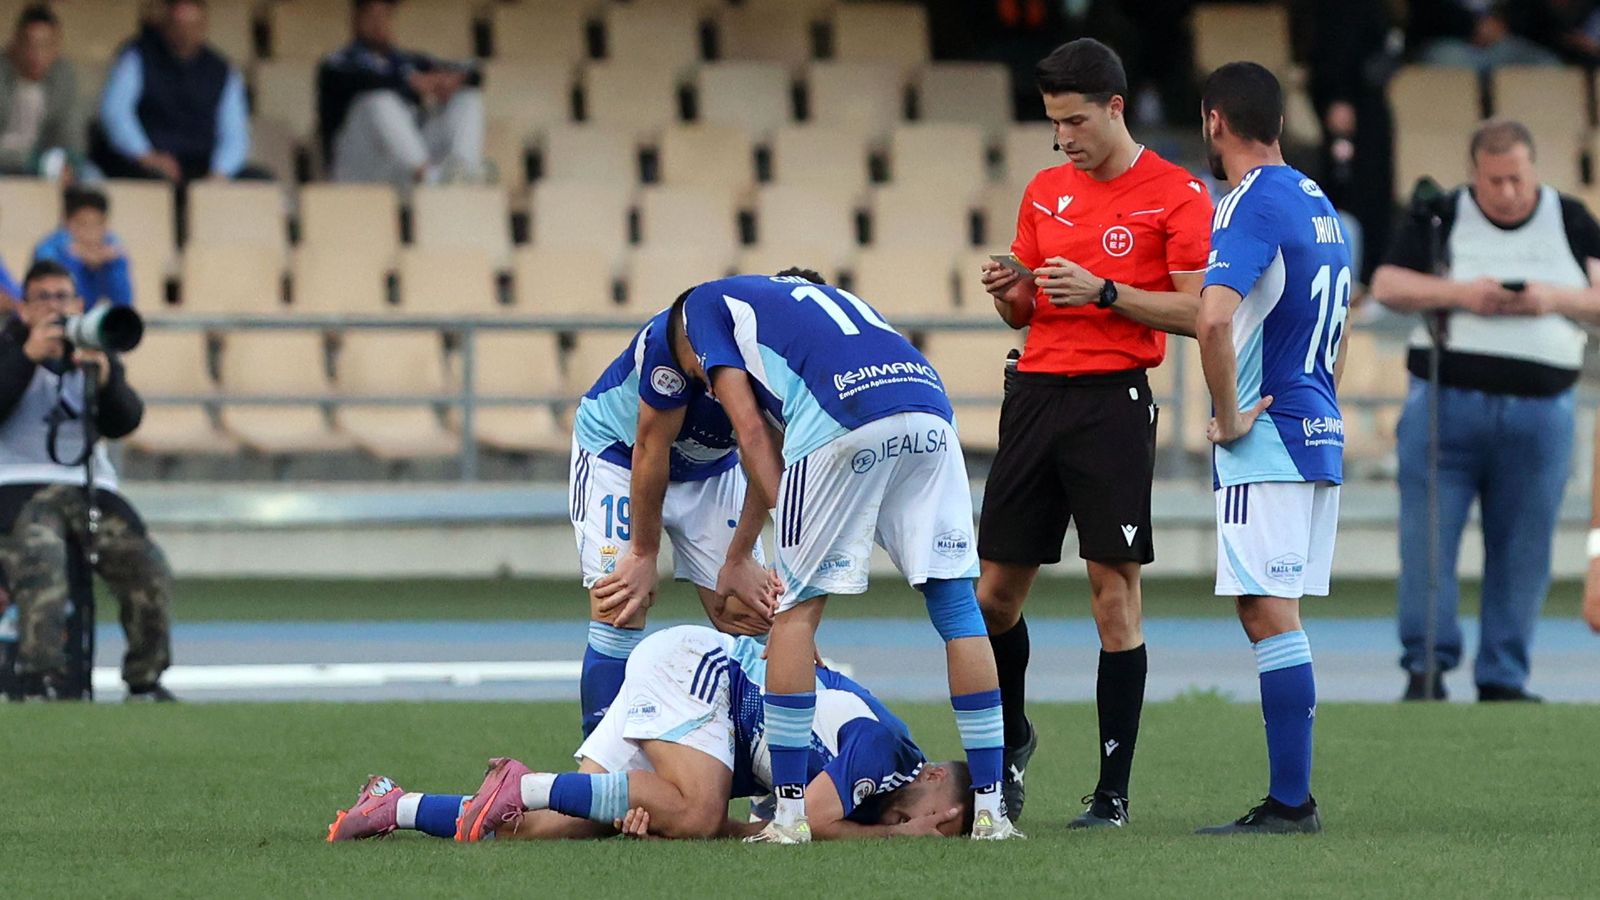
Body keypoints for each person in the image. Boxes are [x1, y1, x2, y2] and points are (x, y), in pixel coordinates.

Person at [652, 272, 1017, 842]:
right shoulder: (818, 304)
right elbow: (774, 440)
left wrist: (795, 540)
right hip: (929, 408)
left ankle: (789, 817)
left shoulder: (700, 307)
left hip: (844, 413)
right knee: (957, 608)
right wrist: (743, 550)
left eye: (697, 375)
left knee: (796, 613)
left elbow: (752, 434)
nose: (702, 386)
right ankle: (992, 811)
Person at [974, 37, 1212, 827]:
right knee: (993, 597)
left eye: (1075, 121)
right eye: (1053, 122)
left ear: (1116, 107)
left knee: (1113, 592)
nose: (1063, 138)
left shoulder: (1176, 193)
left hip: (1112, 402)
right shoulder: (1045, 190)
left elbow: (1199, 311)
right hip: (1035, 394)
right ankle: (1013, 740)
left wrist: (1107, 291)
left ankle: (1111, 795)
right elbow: (1027, 308)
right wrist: (1009, 289)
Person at [328, 624, 975, 842]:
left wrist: (661, 813)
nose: (911, 827)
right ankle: (522, 783)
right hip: (701, 673)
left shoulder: (866, 788)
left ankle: (392, 805)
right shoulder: (884, 751)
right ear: (933, 775)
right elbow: (806, 827)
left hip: (698, 710)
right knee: (695, 812)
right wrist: (900, 838)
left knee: (543, 826)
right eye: (930, 818)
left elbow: (767, 830)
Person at [1371, 119, 1600, 702]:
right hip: (1445, 404)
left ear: (1534, 170)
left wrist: (1552, 299)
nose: (1507, 192)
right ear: (1473, 174)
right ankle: (1425, 668)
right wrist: (1463, 295)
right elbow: (1388, 284)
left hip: (1542, 411)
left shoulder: (1571, 218)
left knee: (1524, 551)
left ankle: (1504, 674)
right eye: (1494, 181)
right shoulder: (1442, 215)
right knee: (1427, 544)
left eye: (1517, 179)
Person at [1193, 61, 1349, 835]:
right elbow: (1337, 324)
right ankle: (1291, 798)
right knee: (1273, 610)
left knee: (1267, 611)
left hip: (1271, 436)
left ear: (1214, 121)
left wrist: (1229, 417)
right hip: (1316, 425)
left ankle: (1292, 802)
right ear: (1279, 122)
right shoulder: (1320, 202)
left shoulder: (1245, 200)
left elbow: (1214, 318)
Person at [564, 306, 777, 737]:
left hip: (712, 470)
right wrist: (644, 554)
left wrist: (740, 557)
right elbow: (650, 446)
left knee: (749, 611)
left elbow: (770, 458)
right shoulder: (672, 339)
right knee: (621, 603)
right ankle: (604, 765)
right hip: (621, 455)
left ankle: (764, 763)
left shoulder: (785, 360)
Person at [0, 261, 173, 701]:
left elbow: (125, 421)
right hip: (17, 485)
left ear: (79, 304)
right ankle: (42, 678)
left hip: (88, 486)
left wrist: (107, 379)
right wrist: (27, 357)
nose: (54, 307)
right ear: (24, 308)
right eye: (43, 298)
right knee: (43, 558)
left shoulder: (94, 350)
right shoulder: (8, 348)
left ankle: (145, 678)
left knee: (146, 563)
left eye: (63, 297)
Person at [317, 0, 486, 189]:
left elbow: (473, 74)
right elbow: (368, 81)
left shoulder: (406, 60)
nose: (378, 23)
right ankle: (427, 177)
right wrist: (412, 81)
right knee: (378, 100)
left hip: (399, 169)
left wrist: (450, 81)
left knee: (467, 98)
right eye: (372, 16)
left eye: (384, 16)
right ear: (356, 19)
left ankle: (465, 177)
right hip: (357, 168)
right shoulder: (338, 62)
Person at [95, 0, 253, 183]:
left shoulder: (222, 70)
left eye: (192, 26)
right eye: (179, 25)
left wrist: (219, 172)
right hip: (143, 163)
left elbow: (234, 133)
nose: (185, 33)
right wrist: (146, 155)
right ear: (166, 24)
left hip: (201, 165)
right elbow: (115, 112)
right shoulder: (137, 56)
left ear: (204, 26)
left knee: (258, 181)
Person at [0, 4, 85, 179]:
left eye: (44, 45)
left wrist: (68, 161)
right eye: (30, 45)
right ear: (15, 43)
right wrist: (33, 160)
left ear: (56, 47)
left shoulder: (63, 76)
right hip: (9, 163)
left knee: (91, 177)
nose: (36, 54)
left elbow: (71, 135)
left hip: (44, 164)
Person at [33, 187, 134, 310]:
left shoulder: (113, 250)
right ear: (67, 223)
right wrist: (76, 261)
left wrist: (109, 267)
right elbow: (60, 300)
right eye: (83, 224)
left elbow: (123, 304)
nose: (90, 232)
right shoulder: (48, 250)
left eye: (97, 224)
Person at [1407, 0, 1562, 72]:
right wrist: (1472, 27)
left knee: (1549, 65)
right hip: (1450, 42)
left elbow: (1535, 16)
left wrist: (1504, 24)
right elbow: (1424, 14)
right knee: (1448, 64)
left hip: (1507, 42)